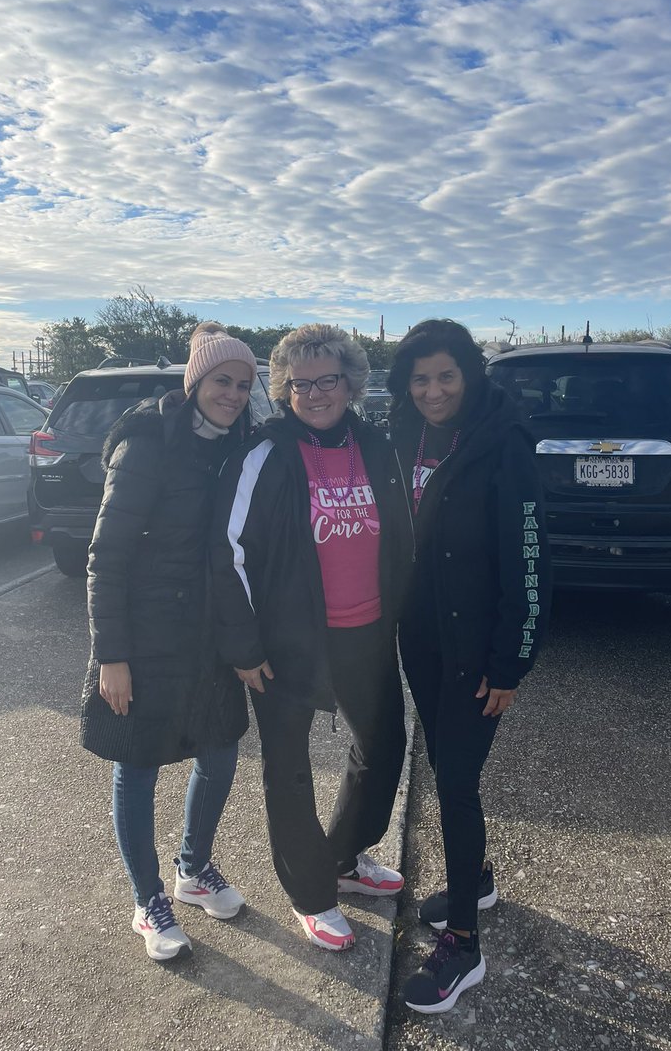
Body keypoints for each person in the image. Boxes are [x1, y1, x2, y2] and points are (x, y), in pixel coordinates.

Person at [209, 324, 410, 951]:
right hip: (285, 645)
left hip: (368, 630)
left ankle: (344, 858)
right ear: (285, 389)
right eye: (301, 384)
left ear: (351, 381)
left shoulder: (376, 446)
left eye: (328, 379)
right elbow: (228, 551)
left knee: (382, 750)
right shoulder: (263, 454)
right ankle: (310, 892)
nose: (316, 393)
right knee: (289, 771)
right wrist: (244, 647)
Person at [80, 322, 259, 961]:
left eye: (243, 384)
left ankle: (194, 869)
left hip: (207, 638)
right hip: (146, 636)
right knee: (139, 763)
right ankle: (147, 899)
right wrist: (112, 656)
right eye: (221, 381)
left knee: (220, 750)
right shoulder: (148, 442)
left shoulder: (234, 447)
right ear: (195, 382)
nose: (233, 394)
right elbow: (106, 555)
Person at [386, 318, 550, 1014]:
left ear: (470, 375)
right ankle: (472, 875)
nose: (433, 390)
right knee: (449, 770)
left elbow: (531, 562)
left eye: (446, 376)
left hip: (477, 649)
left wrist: (511, 662)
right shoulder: (403, 434)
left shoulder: (503, 444)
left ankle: (463, 943)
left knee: (455, 781)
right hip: (420, 639)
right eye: (420, 378)